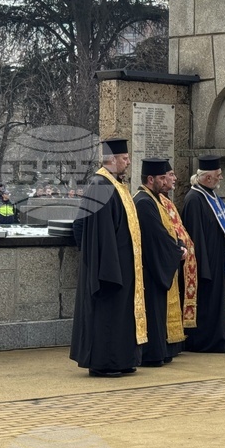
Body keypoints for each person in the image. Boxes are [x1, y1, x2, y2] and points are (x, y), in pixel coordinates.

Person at [70, 138, 146, 378]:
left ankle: (122, 359)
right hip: (108, 267)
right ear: (111, 160)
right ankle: (105, 362)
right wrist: (109, 269)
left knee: (120, 314)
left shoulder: (115, 184)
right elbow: (99, 233)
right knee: (107, 313)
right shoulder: (101, 185)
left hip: (121, 264)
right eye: (124, 158)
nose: (128, 162)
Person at [181, 156, 225, 352]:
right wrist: (204, 267)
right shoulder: (194, 199)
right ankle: (210, 341)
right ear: (207, 178)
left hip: (222, 262)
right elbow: (195, 237)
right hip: (208, 264)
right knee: (210, 303)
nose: (221, 178)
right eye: (218, 175)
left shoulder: (213, 196)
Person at [133, 159, 187, 367]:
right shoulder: (144, 201)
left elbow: (167, 231)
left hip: (157, 262)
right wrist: (176, 250)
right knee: (152, 312)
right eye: (162, 178)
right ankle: (151, 354)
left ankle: (159, 352)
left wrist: (178, 244)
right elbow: (155, 236)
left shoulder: (154, 199)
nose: (166, 181)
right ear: (150, 179)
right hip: (150, 268)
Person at [159, 163, 194, 359]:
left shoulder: (168, 203)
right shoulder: (151, 202)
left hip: (175, 258)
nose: (175, 179)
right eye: (170, 175)